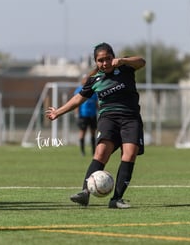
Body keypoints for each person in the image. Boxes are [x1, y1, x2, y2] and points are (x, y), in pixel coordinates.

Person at [46, 42, 145, 209]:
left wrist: (123, 60)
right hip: (109, 118)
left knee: (129, 155)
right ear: (96, 62)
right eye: (100, 60)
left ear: (113, 57)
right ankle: (84, 193)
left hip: (131, 118)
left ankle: (116, 199)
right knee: (100, 153)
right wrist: (58, 112)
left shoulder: (125, 67)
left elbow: (141, 61)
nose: (105, 63)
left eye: (108, 59)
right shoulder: (94, 79)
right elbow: (78, 98)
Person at [73, 75, 98, 156]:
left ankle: (94, 151)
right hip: (83, 115)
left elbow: (96, 103)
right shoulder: (79, 90)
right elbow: (76, 103)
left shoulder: (93, 90)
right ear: (82, 80)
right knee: (82, 132)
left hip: (93, 115)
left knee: (93, 133)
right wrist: (77, 114)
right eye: (85, 79)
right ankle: (82, 151)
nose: (86, 81)